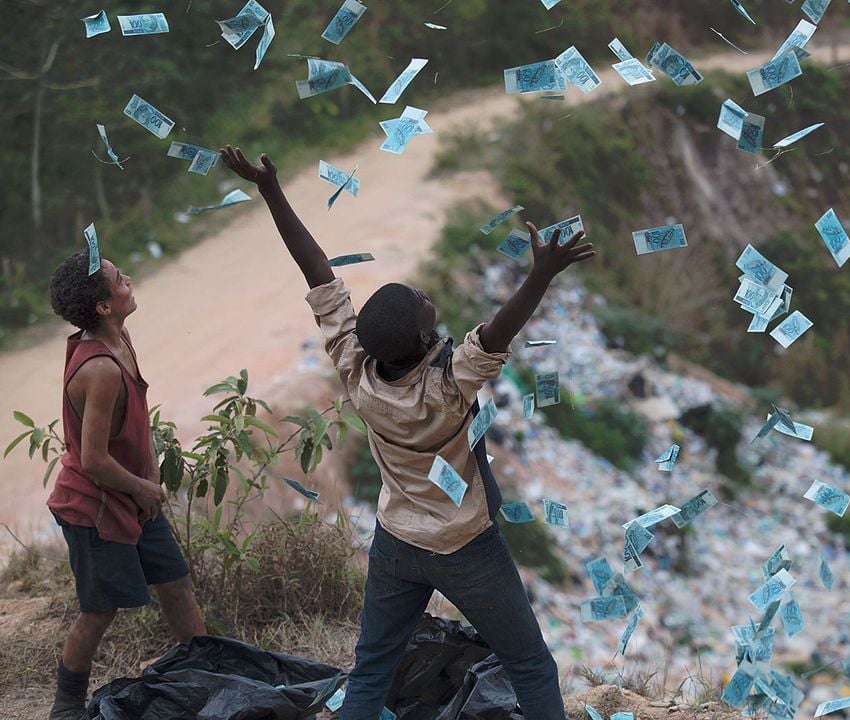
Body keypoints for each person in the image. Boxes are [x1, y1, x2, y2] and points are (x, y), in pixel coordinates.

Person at [219, 145, 595, 719]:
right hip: (465, 544)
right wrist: (540, 272)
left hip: (396, 541)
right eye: (423, 307)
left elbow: (318, 273)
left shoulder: (355, 366)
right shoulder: (448, 386)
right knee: (530, 665)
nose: (424, 297)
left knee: (372, 669)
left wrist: (271, 188)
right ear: (424, 341)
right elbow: (498, 331)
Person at [45, 251, 205, 720]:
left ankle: (208, 668)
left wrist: (149, 480)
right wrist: (141, 487)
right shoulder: (100, 369)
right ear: (102, 307)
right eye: (118, 279)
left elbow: (136, 426)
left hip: (134, 495)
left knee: (176, 584)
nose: (128, 279)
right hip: (94, 506)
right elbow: (92, 460)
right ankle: (65, 705)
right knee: (100, 610)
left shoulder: (121, 339)